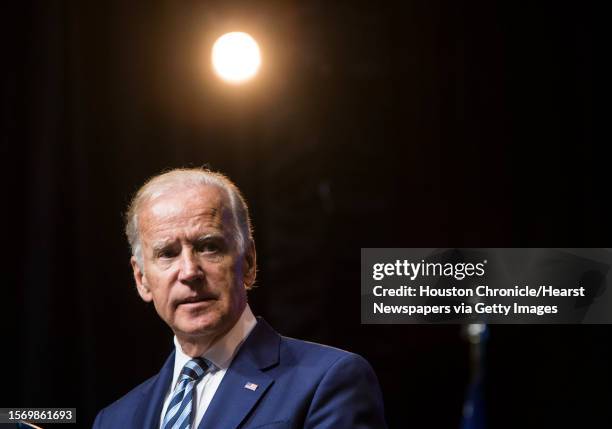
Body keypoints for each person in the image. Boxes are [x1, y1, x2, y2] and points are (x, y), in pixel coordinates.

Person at [93, 168, 387, 429]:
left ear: (248, 261)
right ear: (142, 279)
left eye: (208, 246)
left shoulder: (328, 381)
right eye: (167, 253)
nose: (189, 271)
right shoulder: (113, 420)